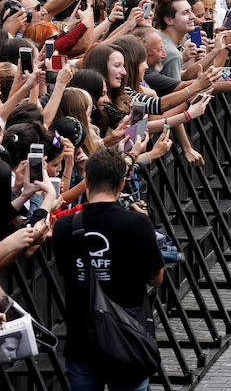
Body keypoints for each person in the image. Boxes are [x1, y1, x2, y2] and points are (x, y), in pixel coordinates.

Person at [51, 147, 164, 391]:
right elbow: (156, 278)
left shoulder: (65, 226)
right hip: (128, 338)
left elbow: (64, 271)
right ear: (122, 183)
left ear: (87, 181)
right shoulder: (137, 223)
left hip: (82, 341)